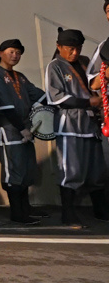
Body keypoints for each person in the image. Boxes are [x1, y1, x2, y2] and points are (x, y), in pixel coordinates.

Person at [46, 29, 109, 227]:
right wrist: (89, 102)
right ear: (59, 47)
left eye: (78, 48)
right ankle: (68, 213)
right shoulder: (54, 66)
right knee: (71, 170)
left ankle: (101, 210)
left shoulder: (84, 63)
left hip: (91, 126)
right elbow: (55, 97)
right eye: (70, 49)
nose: (75, 52)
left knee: (96, 170)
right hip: (70, 126)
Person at [0, 39, 47, 224]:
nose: (15, 55)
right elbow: (3, 107)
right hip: (10, 129)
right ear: (0, 52)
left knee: (26, 169)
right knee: (14, 172)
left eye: (18, 53)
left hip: (26, 129)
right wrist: (21, 128)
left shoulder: (20, 77)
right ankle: (17, 214)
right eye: (11, 51)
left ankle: (26, 209)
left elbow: (38, 95)